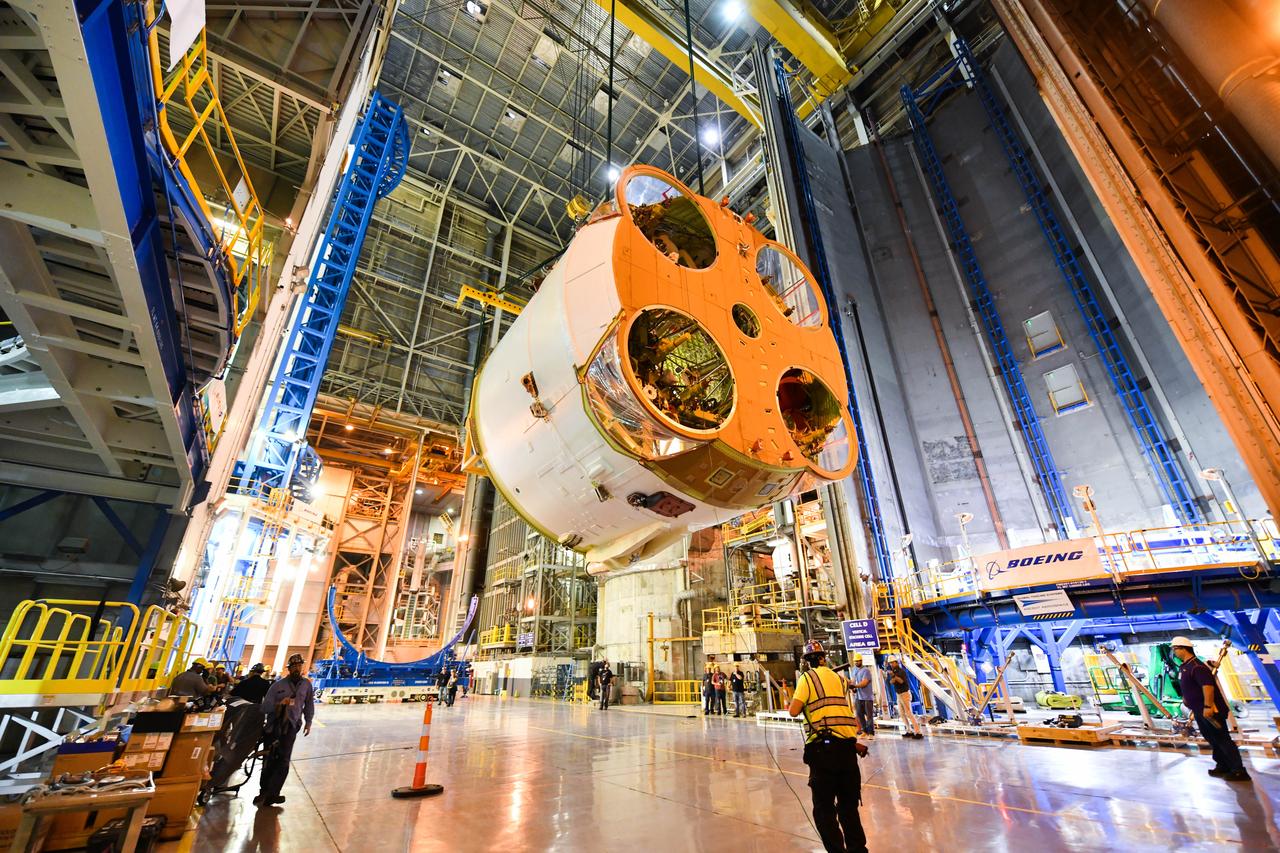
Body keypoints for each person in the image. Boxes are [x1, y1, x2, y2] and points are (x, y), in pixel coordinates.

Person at [788, 640, 868, 853]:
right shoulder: (839, 679)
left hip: (823, 752)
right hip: (848, 749)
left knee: (824, 810)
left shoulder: (807, 678)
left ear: (807, 662)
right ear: (824, 658)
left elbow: (793, 711)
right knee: (849, 809)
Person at [1170, 637, 1250, 781]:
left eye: (1174, 649)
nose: (1173, 652)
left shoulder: (1197, 667)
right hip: (1199, 711)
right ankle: (1223, 765)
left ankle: (1238, 770)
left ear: (1183, 648)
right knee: (1212, 738)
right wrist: (1186, 699)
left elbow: (1208, 687)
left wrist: (1208, 706)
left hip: (1211, 711)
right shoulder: (1184, 666)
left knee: (1222, 739)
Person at [256, 653, 315, 807]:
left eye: (299, 666)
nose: (297, 668)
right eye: (294, 666)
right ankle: (264, 790)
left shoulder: (306, 685)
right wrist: (278, 704)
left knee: (283, 761)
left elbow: (308, 705)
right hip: (273, 727)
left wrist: (308, 722)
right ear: (289, 668)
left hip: (290, 727)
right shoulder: (277, 686)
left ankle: (274, 793)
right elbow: (264, 707)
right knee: (269, 759)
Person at [885, 659, 923, 739]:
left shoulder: (901, 672)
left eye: (892, 662)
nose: (891, 664)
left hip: (905, 694)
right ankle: (909, 730)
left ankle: (918, 732)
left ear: (896, 662)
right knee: (902, 714)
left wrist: (894, 677)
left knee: (909, 713)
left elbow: (901, 681)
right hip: (898, 694)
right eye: (890, 663)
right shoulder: (893, 672)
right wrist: (892, 677)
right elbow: (891, 682)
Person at [849, 655, 875, 737]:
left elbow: (865, 682)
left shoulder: (866, 670)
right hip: (858, 697)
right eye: (855, 661)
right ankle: (865, 731)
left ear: (861, 661)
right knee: (859, 715)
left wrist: (855, 686)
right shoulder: (854, 670)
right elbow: (853, 681)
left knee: (869, 715)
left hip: (867, 697)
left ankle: (871, 733)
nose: (857, 662)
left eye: (858, 661)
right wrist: (852, 688)